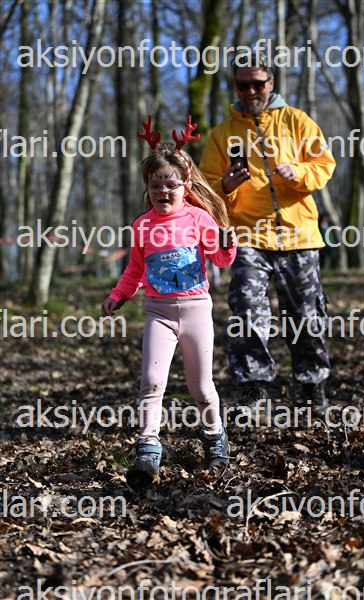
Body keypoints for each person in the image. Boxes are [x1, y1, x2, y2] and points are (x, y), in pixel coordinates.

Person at [102, 116, 236, 486]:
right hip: (158, 313)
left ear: (185, 185)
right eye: (156, 185)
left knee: (201, 388)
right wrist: (117, 295)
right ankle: (148, 449)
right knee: (150, 381)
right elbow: (135, 268)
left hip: (196, 312)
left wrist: (227, 243)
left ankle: (215, 440)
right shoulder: (142, 225)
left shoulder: (199, 218)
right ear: (147, 188)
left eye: (171, 184)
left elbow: (221, 259)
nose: (163, 191)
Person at [199, 51, 336, 411]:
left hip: (298, 233)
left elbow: (324, 164)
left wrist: (299, 172)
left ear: (271, 83)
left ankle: (313, 385)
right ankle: (254, 387)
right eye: (242, 85)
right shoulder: (221, 134)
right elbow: (206, 188)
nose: (250, 91)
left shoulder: (297, 121)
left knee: (305, 312)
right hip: (247, 236)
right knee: (246, 307)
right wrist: (225, 186)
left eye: (257, 84)